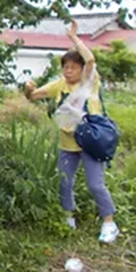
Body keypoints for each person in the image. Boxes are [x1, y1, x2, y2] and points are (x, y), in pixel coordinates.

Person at [25, 19, 119, 244]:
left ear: (81, 69)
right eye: (65, 67)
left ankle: (109, 222)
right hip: (68, 144)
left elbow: (90, 59)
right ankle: (68, 217)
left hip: (90, 143)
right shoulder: (59, 85)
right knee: (64, 182)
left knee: (96, 184)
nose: (68, 71)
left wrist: (74, 38)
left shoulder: (89, 82)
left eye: (72, 67)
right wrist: (28, 89)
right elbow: (34, 96)